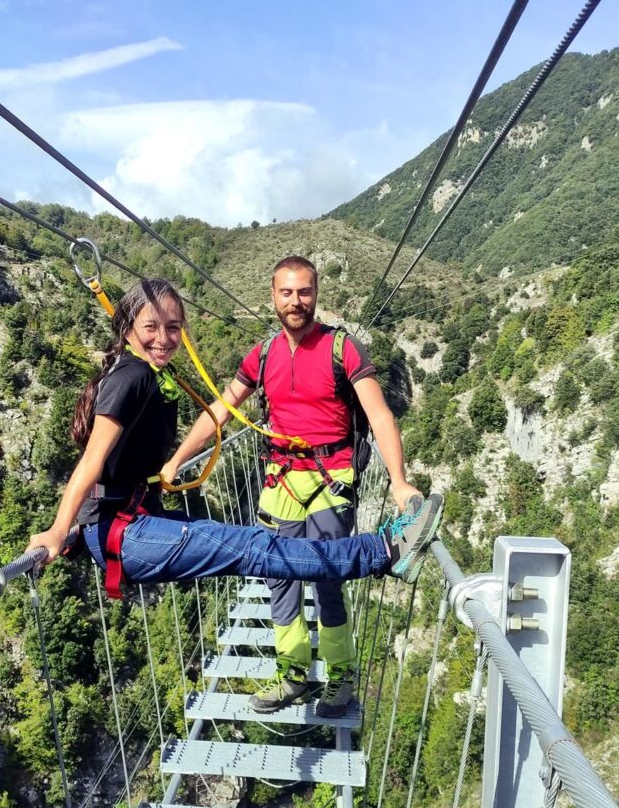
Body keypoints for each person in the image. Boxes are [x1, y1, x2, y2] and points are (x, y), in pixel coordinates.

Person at [27, 277, 442, 606]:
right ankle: (384, 552)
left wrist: (82, 526)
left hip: (121, 527)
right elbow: (92, 461)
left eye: (173, 328)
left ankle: (379, 555)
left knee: (250, 546)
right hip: (124, 533)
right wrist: (59, 529)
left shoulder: (145, 373)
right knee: (254, 547)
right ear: (129, 326)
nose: (164, 338)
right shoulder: (132, 376)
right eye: (151, 327)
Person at [162, 256, 425, 717]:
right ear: (273, 295)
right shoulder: (262, 356)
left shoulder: (343, 349)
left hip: (331, 476)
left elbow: (380, 414)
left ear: (316, 293)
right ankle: (294, 674)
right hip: (280, 478)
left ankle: (340, 672)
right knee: (279, 577)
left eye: (304, 292)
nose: (296, 301)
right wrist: (177, 461)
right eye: (287, 293)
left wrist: (399, 483)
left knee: (327, 575)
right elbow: (220, 411)